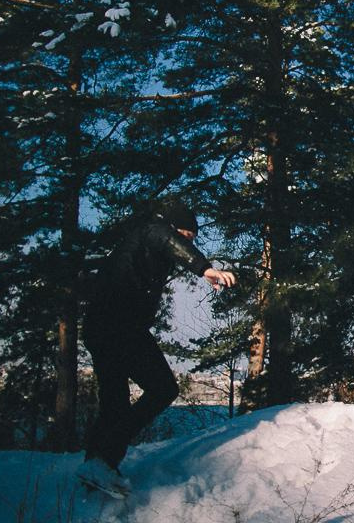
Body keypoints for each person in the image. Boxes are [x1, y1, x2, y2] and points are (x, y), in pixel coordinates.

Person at [76, 203, 236, 498]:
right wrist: (205, 268)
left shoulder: (145, 246)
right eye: (186, 237)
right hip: (117, 326)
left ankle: (95, 468)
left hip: (106, 328)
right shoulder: (151, 230)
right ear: (174, 228)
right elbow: (163, 237)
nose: (188, 243)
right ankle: (103, 460)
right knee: (163, 388)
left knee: (115, 404)